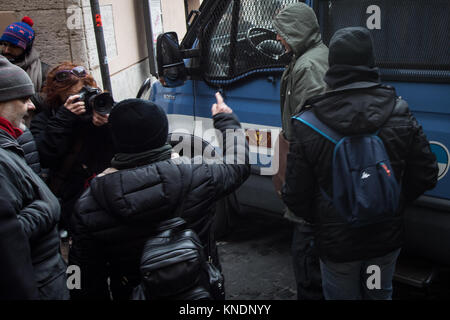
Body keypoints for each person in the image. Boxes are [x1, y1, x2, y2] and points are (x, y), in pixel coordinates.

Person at [282, 27, 439, 300]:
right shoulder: (400, 111)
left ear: (332, 65)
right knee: (378, 294)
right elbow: (426, 173)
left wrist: (325, 218)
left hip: (337, 246)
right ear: (370, 62)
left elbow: (295, 195)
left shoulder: (308, 124)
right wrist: (391, 201)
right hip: (384, 240)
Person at [69, 93, 250, 300]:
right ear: (163, 133)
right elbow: (238, 164)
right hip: (200, 292)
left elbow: (79, 279)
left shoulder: (89, 204)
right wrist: (226, 119)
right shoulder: (199, 175)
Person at [272, 2, 329, 300]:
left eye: (283, 32)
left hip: (310, 179)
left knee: (306, 255)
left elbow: (309, 133)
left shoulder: (308, 66)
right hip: (315, 176)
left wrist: (293, 181)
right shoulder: (310, 56)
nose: (279, 39)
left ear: (297, 31)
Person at [0, 55, 69, 300]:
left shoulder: (13, 138)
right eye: (23, 98)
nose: (31, 106)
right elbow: (8, 233)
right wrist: (48, 205)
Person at [30, 62, 115, 235]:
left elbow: (128, 147)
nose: (82, 100)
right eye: (74, 97)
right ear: (57, 96)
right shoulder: (47, 119)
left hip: (107, 191)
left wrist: (109, 124)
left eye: (84, 93)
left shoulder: (101, 110)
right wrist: (64, 118)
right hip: (72, 197)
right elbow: (44, 156)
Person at [0, 17, 50, 103]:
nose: (6, 50)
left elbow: (48, 101)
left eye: (14, 46)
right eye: (4, 44)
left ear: (26, 48)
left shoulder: (44, 71)